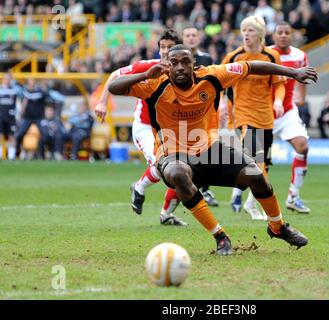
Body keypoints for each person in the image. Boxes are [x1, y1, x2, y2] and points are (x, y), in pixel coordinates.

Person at [108, 44, 317, 255]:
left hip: (209, 149)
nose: (180, 67)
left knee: (256, 175)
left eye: (185, 62)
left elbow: (252, 66)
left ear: (194, 65)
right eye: (174, 63)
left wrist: (293, 72)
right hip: (171, 152)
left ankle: (278, 227)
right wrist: (145, 74)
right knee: (178, 173)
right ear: (167, 66)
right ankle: (220, 236)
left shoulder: (212, 76)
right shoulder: (154, 84)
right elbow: (114, 87)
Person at [94, 29, 187, 226]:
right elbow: (115, 75)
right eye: (162, 47)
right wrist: (102, 102)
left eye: (169, 48)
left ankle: (166, 214)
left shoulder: (185, 72)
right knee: (161, 166)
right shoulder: (148, 67)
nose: (164, 51)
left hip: (171, 130)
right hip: (146, 128)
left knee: (185, 170)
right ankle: (139, 187)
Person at [222, 16, 285, 220]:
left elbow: (279, 84)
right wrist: (223, 102)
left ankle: (246, 199)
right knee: (254, 158)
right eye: (243, 30)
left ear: (260, 34)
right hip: (243, 114)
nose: (246, 34)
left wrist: (279, 101)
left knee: (263, 163)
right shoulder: (234, 57)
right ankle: (261, 205)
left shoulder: (271, 56)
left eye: (250, 30)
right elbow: (219, 81)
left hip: (265, 115)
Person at [270, 21, 312, 214]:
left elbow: (303, 76)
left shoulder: (300, 55)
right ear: (274, 35)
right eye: (280, 32)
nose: (284, 35)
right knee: (254, 160)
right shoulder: (267, 54)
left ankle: (294, 196)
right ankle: (244, 199)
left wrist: (301, 97)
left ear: (292, 35)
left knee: (302, 146)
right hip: (264, 112)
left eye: (287, 32)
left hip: (286, 111)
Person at [183, 25, 219, 207]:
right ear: (183, 38)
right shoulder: (178, 60)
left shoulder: (206, 59)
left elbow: (214, 83)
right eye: (187, 35)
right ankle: (187, 189)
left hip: (203, 112)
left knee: (206, 149)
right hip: (183, 113)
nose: (191, 38)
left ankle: (205, 190)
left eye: (193, 35)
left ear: (198, 38)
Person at [15, 79, 57, 159]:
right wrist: (21, 112)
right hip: (27, 117)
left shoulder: (40, 92)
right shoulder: (25, 92)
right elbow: (24, 102)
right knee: (19, 134)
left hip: (39, 118)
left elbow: (49, 99)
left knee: (46, 134)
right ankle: (17, 153)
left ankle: (44, 154)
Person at [0, 72, 21, 160]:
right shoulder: (0, 89)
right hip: (1, 116)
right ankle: (1, 154)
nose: (7, 80)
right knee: (0, 135)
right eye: (6, 78)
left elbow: (21, 98)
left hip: (11, 116)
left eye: (9, 78)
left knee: (11, 135)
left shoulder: (15, 90)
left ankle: (11, 155)